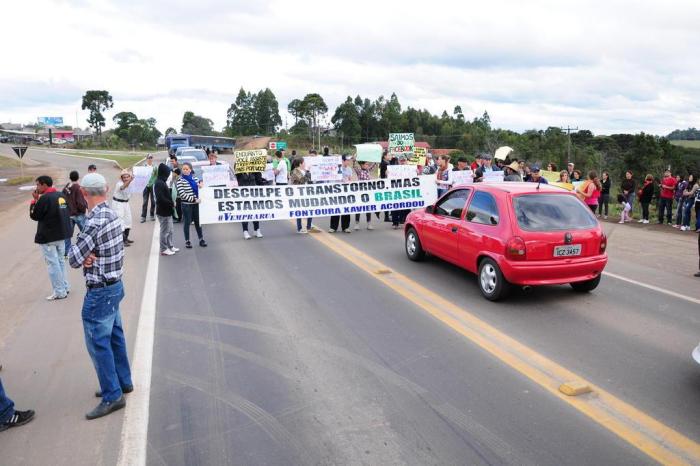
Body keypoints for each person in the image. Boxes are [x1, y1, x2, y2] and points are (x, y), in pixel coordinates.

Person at [67, 172, 133, 420]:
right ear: (105, 189)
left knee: (98, 344)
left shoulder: (93, 222)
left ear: (84, 193)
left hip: (100, 291)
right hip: (115, 285)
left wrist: (85, 255)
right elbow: (90, 253)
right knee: (115, 337)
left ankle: (112, 395)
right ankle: (123, 382)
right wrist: (89, 254)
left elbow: (73, 258)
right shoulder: (111, 214)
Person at [30, 175, 72, 300]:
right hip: (62, 234)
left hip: (49, 236)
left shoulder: (44, 199)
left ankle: (59, 291)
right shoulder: (61, 195)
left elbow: (34, 215)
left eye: (38, 185)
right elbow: (67, 211)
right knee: (60, 262)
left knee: (53, 264)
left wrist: (34, 201)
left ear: (44, 185)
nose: (37, 187)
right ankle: (65, 286)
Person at [175, 162, 207, 248]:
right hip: (186, 205)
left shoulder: (195, 179)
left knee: (198, 222)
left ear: (190, 170)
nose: (185, 170)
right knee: (187, 222)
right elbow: (182, 194)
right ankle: (187, 241)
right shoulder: (180, 180)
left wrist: (201, 186)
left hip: (196, 205)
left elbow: (200, 189)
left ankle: (201, 239)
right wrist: (194, 199)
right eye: (183, 169)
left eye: (187, 169)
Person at [154, 163, 179, 255]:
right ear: (163, 173)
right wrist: (171, 203)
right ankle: (164, 249)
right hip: (163, 212)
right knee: (165, 232)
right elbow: (160, 198)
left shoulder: (162, 181)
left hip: (168, 211)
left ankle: (170, 246)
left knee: (170, 230)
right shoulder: (159, 183)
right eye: (168, 173)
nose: (169, 174)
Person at [235, 168, 265, 239]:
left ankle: (257, 230)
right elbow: (237, 174)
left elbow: (259, 180)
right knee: (245, 212)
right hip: (243, 194)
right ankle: (245, 231)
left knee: (255, 211)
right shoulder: (239, 168)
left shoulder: (253, 168)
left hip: (253, 194)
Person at [63, 170, 88, 255]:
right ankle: (86, 250)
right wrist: (83, 209)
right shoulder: (78, 188)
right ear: (78, 177)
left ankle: (67, 251)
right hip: (78, 214)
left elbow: (62, 199)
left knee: (68, 234)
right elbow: (80, 202)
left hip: (68, 214)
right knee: (85, 232)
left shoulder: (66, 187)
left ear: (70, 177)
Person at [329, 155, 354, 233]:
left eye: (349, 160)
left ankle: (345, 227)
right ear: (342, 161)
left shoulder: (349, 169)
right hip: (337, 191)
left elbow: (350, 179)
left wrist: (349, 182)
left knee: (346, 209)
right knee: (336, 209)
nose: (348, 162)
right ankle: (333, 227)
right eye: (347, 160)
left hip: (346, 191)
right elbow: (332, 179)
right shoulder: (336, 168)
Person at [290, 158, 314, 233]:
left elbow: (309, 180)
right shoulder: (295, 172)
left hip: (307, 192)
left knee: (310, 209)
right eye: (304, 163)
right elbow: (302, 180)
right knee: (299, 210)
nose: (305, 164)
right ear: (300, 164)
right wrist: (307, 172)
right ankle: (299, 228)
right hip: (299, 194)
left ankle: (309, 226)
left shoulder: (303, 171)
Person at [112, 169, 134, 246]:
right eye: (124, 177)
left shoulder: (130, 184)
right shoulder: (119, 184)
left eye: (127, 177)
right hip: (118, 204)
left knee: (128, 220)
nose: (125, 178)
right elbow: (122, 187)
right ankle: (122, 240)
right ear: (121, 178)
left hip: (125, 203)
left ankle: (126, 238)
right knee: (120, 222)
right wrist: (130, 180)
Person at [353, 160, 376, 230]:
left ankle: (369, 223)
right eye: (366, 164)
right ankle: (357, 223)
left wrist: (376, 158)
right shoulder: (359, 171)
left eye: (368, 164)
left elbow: (374, 165)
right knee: (359, 208)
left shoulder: (368, 170)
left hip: (367, 191)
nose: (367, 165)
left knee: (368, 208)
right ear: (362, 165)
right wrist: (354, 160)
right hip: (360, 192)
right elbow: (354, 167)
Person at [391, 156, 412, 229]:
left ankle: (406, 222)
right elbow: (389, 177)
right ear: (399, 161)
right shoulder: (394, 169)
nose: (403, 162)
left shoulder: (410, 168)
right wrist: (387, 173)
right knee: (395, 207)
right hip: (397, 190)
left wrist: (417, 172)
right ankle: (395, 223)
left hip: (406, 191)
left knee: (407, 207)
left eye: (404, 161)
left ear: (406, 161)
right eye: (401, 161)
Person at [140, 154, 157, 223]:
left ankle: (152, 215)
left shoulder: (155, 167)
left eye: (151, 158)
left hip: (152, 186)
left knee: (153, 201)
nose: (150, 159)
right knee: (145, 202)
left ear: (152, 159)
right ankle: (143, 217)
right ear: (146, 159)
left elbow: (157, 176)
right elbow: (140, 176)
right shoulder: (144, 167)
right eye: (148, 158)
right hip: (145, 186)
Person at [168, 155, 183, 222]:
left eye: (173, 161)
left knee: (178, 204)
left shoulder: (180, 167)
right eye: (171, 161)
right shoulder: (171, 167)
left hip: (179, 190)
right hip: (173, 188)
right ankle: (175, 216)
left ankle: (178, 217)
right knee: (174, 203)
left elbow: (180, 177)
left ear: (176, 161)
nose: (171, 162)